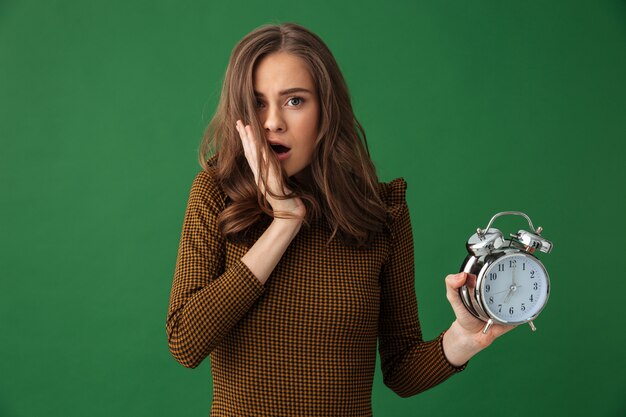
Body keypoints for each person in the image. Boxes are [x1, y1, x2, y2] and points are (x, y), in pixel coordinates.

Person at [166, 22, 512, 416]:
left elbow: (401, 371)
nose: (273, 122)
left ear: (325, 110)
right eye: (258, 103)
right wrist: (284, 221)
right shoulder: (217, 194)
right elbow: (185, 341)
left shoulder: (381, 211)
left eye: (294, 101)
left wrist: (466, 338)